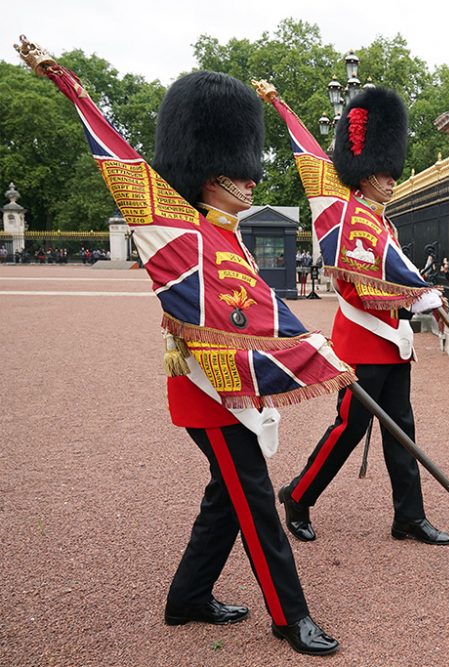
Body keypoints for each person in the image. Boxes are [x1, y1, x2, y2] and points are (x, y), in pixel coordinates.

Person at [148, 72, 340, 656]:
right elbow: (223, 321)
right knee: (254, 499)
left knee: (225, 495)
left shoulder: (227, 236)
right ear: (211, 175)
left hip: (234, 389)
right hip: (209, 393)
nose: (252, 179)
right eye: (241, 170)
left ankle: (187, 596)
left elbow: (262, 311)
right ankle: (290, 615)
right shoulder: (189, 239)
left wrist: (307, 342)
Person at [279, 87, 449, 547]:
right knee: (349, 428)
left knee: (402, 430)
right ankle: (298, 495)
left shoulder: (381, 221)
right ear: (363, 173)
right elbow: (355, 283)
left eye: (390, 172)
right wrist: (413, 298)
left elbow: (396, 271)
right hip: (362, 341)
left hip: (391, 341)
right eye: (381, 173)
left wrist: (418, 302)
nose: (390, 180)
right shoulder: (349, 219)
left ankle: (408, 517)